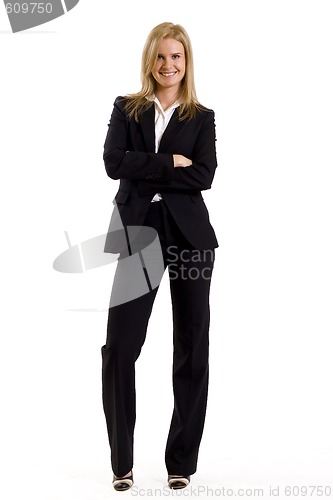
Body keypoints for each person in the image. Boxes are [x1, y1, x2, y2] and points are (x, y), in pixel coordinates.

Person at [100, 22, 219, 492]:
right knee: (120, 347)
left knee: (192, 348)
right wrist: (171, 163)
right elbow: (113, 163)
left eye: (178, 57)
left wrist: (143, 166)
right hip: (139, 234)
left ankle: (180, 463)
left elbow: (205, 175)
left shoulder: (202, 116)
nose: (169, 65)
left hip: (190, 237)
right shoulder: (126, 108)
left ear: (187, 62)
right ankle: (122, 462)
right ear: (150, 60)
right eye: (161, 56)